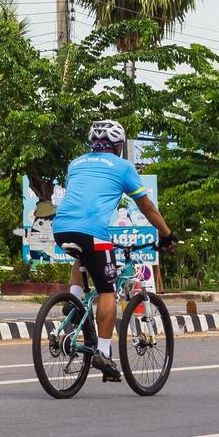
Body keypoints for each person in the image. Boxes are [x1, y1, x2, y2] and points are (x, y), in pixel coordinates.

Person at [49, 119, 176, 383]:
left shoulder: (76, 163)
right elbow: (147, 207)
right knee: (107, 290)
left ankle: (72, 305)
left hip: (61, 229)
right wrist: (166, 234)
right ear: (118, 146)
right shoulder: (123, 167)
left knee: (81, 255)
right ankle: (104, 353)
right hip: (93, 231)